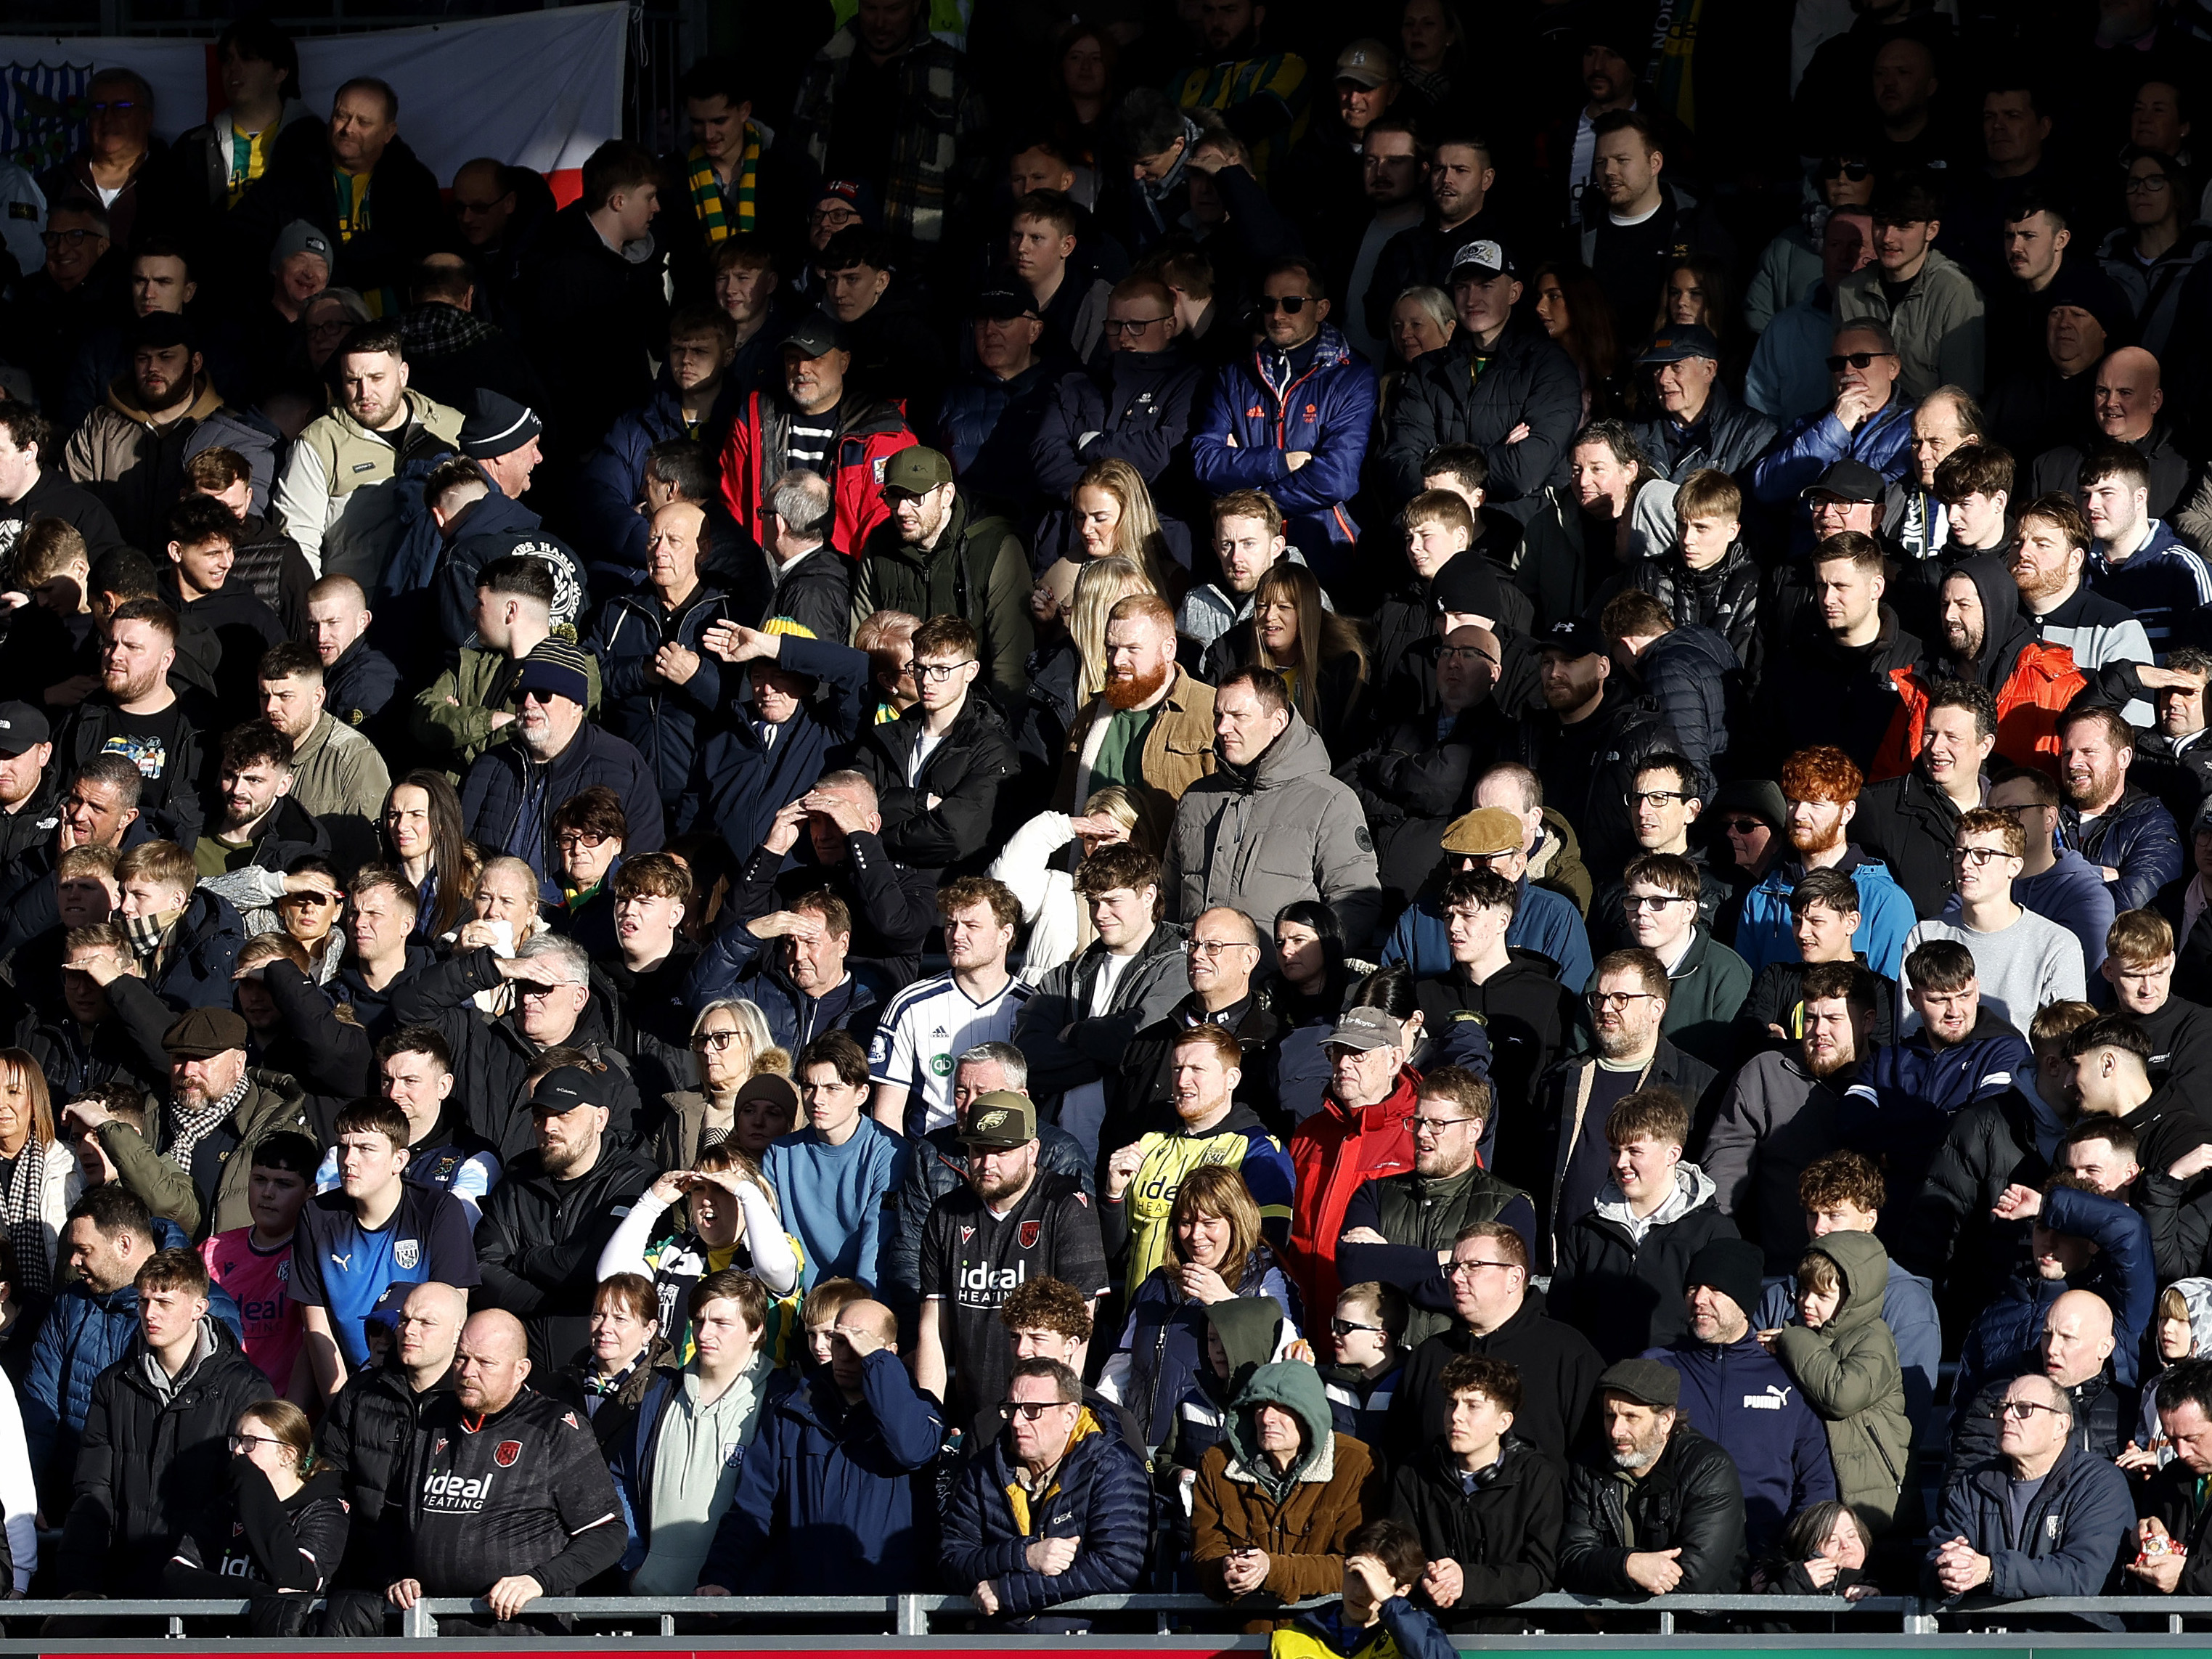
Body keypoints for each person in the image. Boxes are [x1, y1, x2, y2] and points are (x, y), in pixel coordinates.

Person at [381, 1309, 624, 1634]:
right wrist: (396, 1576)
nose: (468, 1372)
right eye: (461, 1358)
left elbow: (608, 1533)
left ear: (520, 1370)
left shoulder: (554, 1427)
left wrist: (539, 1581)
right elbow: (394, 1517)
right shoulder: (431, 1416)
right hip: (429, 1629)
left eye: (485, 1363)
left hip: (518, 1635)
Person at [59, 1247, 274, 1594]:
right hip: (127, 1580)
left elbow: (256, 1497)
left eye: (164, 1302)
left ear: (199, 1309)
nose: (150, 1314)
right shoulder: (113, 1385)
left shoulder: (246, 1387)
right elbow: (93, 1491)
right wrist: (78, 1585)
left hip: (207, 1586)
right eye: (144, 1301)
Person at [698, 1291, 942, 1594]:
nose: (843, 1354)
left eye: (859, 1345)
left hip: (888, 1611)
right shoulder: (791, 1412)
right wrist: (720, 1577)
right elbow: (753, 1509)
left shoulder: (921, 1409)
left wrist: (877, 1364)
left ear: (889, 1352)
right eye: (839, 1341)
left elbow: (911, 1449)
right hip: (804, 1609)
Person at [915, 1091, 1108, 1425]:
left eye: (1002, 1151)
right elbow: (933, 1329)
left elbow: (1078, 1331)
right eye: (978, 1150)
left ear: (1032, 1151)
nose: (988, 1164)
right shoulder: (946, 1213)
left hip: (1039, 1413)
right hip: (971, 1413)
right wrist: (928, 1418)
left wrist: (1052, 1418)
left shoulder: (1067, 1207)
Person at [1646, 1238, 1837, 1558]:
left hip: (1766, 1562)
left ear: (1744, 1298)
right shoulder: (1656, 1368)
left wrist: (1787, 1560)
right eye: (1692, 1288)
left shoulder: (1786, 1372)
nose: (1699, 1299)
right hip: (1673, 1563)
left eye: (1715, 1289)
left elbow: (1816, 1480)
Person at [1164, 667, 1381, 946]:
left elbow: (1356, 900)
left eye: (1238, 716)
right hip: (1191, 978)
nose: (1221, 728)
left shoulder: (1329, 801)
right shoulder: (1196, 799)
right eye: (1218, 715)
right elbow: (1168, 897)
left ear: (1278, 721)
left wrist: (1310, 965)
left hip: (1282, 982)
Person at [1191, 257, 1376, 576]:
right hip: (1246, 558)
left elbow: (1337, 477)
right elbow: (1205, 463)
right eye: (1267, 304)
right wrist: (1278, 462)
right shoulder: (1234, 375)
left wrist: (1253, 504)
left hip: (1325, 550)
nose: (1277, 315)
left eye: (1292, 304)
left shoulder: (1353, 376)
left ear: (1321, 309)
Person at [1531, 949, 1715, 1268]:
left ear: (1657, 1007)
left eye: (1620, 998)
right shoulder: (1561, 1079)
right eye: (1599, 998)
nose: (1605, 1009)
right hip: (1561, 1263)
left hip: (1647, 1265)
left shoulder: (1699, 1085)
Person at [291, 1098, 478, 1402]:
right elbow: (317, 1329)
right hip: (349, 1389)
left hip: (423, 1391)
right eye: (343, 1147)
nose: (349, 1160)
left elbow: (452, 1319)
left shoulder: (438, 1211)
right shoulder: (316, 1216)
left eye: (366, 1149)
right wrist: (342, 1409)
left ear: (399, 1160)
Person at [1335, 1065, 1537, 1346]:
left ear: (1473, 1129)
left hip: (1460, 1368)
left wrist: (1389, 1262)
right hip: (1379, 1369)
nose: (1422, 1133)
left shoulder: (1508, 1206)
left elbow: (1494, 1294)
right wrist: (1443, 1261)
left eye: (1438, 1124)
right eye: (1418, 1121)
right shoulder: (1376, 1192)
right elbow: (1353, 1266)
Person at [942, 1355, 1149, 1628]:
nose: (1016, 1422)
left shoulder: (1114, 1467)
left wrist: (1008, 1592)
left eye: (1032, 1410)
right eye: (1011, 1409)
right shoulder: (984, 1470)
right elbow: (952, 1560)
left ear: (1070, 1416)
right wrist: (1026, 1555)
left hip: (1088, 1643)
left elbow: (1117, 1567)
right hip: (999, 1643)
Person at [472, 1063, 656, 1370]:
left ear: (600, 1119)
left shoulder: (634, 1180)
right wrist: (568, 1302)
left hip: (601, 1368)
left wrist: (523, 1260)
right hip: (523, 1372)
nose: (548, 1127)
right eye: (540, 1116)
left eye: (564, 1114)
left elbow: (592, 1267)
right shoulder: (518, 1180)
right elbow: (480, 1270)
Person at [1382, 240, 1584, 517]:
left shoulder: (1550, 365)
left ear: (1514, 292)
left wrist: (1438, 459)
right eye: (1463, 287)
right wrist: (1498, 453)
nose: (1472, 299)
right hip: (1441, 533)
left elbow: (1523, 472)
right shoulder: (1428, 369)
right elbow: (1399, 466)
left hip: (1521, 536)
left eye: (1486, 286)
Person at [1702, 961, 1880, 1271]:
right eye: (1811, 1018)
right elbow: (1724, 1176)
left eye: (1833, 1019)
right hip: (1780, 1270)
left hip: (1869, 1271)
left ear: (1867, 1021)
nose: (1818, 1031)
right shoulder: (1765, 1074)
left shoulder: (1894, 1081)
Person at [1924, 1371, 2136, 1621]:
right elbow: (1936, 1556)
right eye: (2001, 1407)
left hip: (2074, 1642)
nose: (2006, 1416)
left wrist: (1992, 1571)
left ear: (2061, 1425)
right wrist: (1948, 1572)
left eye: (2023, 1409)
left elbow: (2082, 1574)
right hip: (1992, 1644)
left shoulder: (2099, 1483)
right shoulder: (1974, 1483)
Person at [1101, 1022, 1294, 1295]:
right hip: (1141, 1317)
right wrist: (1113, 1196)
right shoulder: (1148, 1144)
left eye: (1197, 1070)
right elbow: (1116, 1253)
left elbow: (1268, 1253)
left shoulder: (1258, 1151)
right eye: (1177, 1069)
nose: (1181, 1081)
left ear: (1232, 1079)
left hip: (1210, 1324)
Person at [1549, 1088, 1739, 1363]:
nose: (1621, 1163)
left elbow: (1724, 1329)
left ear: (1672, 1154)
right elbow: (1562, 1320)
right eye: (1615, 1151)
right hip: (1598, 1386)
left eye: (1634, 1151)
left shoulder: (1712, 1232)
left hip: (1679, 1386)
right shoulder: (1588, 1231)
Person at [272, 321, 463, 587]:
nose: (365, 393)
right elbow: (297, 541)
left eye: (376, 378)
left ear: (403, 374)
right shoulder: (319, 443)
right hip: (361, 612)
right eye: (353, 381)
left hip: (443, 600)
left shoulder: (450, 427)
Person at [717, 314, 917, 559]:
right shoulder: (756, 417)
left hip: (845, 579)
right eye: (793, 359)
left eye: (815, 358)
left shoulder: (880, 428)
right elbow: (732, 502)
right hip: (766, 576)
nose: (802, 369)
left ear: (844, 362)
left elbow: (883, 524)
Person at [1385, 1353, 1562, 1630]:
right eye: (1451, 1403)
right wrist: (1428, 1579)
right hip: (1429, 1633)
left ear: (1504, 1422)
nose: (1456, 1416)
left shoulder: (1537, 1478)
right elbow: (1400, 1555)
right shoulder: (1413, 1474)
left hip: (1511, 1638)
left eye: (1473, 1406)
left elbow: (1540, 1570)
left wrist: (1468, 1582)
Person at [1189, 1356, 1379, 1607]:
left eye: (1283, 1407)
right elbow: (1206, 1552)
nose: (1267, 1418)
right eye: (1259, 1406)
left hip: (1326, 1633)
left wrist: (1272, 1570)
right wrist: (1223, 1570)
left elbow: (1357, 1564)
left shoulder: (1356, 1464)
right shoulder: (1216, 1465)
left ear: (1309, 1414)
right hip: (1241, 1633)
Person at [314, 1279, 464, 1597]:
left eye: (426, 1323)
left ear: (457, 1332)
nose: (409, 1330)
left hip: (450, 1580)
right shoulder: (361, 1392)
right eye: (406, 1320)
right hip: (361, 1572)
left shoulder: (473, 1400)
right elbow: (328, 1476)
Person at [1762, 1228, 1915, 1536]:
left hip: (1870, 1493)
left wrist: (1793, 1339)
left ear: (1853, 1299)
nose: (1806, 1302)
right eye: (1804, 1291)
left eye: (1822, 1295)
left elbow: (1841, 1395)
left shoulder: (1874, 1340)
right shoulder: (1802, 1336)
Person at [1556, 1358, 1747, 1597]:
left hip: (1696, 1627)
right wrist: (1629, 1565)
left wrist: (1609, 1583)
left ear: (1665, 1420)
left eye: (1631, 1417)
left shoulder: (1708, 1468)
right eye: (1609, 1415)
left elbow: (1695, 1579)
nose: (1616, 1431)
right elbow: (1571, 1561)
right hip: (1615, 1629)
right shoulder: (1589, 1466)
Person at [1734, 746, 1917, 982]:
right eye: (1793, 801)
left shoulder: (1884, 899)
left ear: (1847, 812)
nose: (1799, 814)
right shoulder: (1762, 897)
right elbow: (1747, 993)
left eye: (1815, 803)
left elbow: (1894, 997)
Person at [163, 1396, 351, 1616]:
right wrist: (252, 1591)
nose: (238, 1451)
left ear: (288, 1455)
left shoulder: (325, 1510)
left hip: (286, 1641)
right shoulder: (225, 1507)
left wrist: (253, 1484)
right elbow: (174, 1575)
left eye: (250, 1442)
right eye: (236, 1440)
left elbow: (295, 1578)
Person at [1899, 812, 2086, 1030]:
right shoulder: (1925, 936)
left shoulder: (2056, 944)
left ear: (2014, 867)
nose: (1966, 864)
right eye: (1960, 853)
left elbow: (2068, 1042)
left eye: (1982, 854)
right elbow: (1909, 1030)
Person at [764, 1032, 908, 1291]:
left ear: (861, 1094)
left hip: (861, 1305)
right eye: (809, 1087)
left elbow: (877, 1244)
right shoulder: (779, 1154)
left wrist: (857, 1314)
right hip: (792, 1301)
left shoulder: (890, 1152)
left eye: (833, 1089)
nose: (817, 1099)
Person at [1833, 177, 1986, 402]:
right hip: (1863, 426)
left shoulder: (1955, 291)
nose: (1887, 237)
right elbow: (1840, 377)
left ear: (1931, 230)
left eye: (1903, 226)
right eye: (1881, 224)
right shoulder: (1849, 291)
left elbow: (1962, 395)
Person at [2081, 443, 2212, 656]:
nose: (2092, 505)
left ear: (2140, 497)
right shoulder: (2076, 566)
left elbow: (2200, 668)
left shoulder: (2184, 570)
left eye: (2106, 493)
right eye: (2086, 495)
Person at [2057, 703, 2184, 915]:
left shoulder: (2152, 824)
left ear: (2123, 758)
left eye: (2088, 752)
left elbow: (2134, 911)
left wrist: (2055, 879)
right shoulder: (2045, 813)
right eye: (2066, 753)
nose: (2073, 763)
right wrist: (2097, 874)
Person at [1628, 325, 1777, 482]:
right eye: (1658, 369)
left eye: (1676, 367)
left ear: (1709, 370)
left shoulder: (1751, 434)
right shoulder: (1635, 434)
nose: (1664, 379)